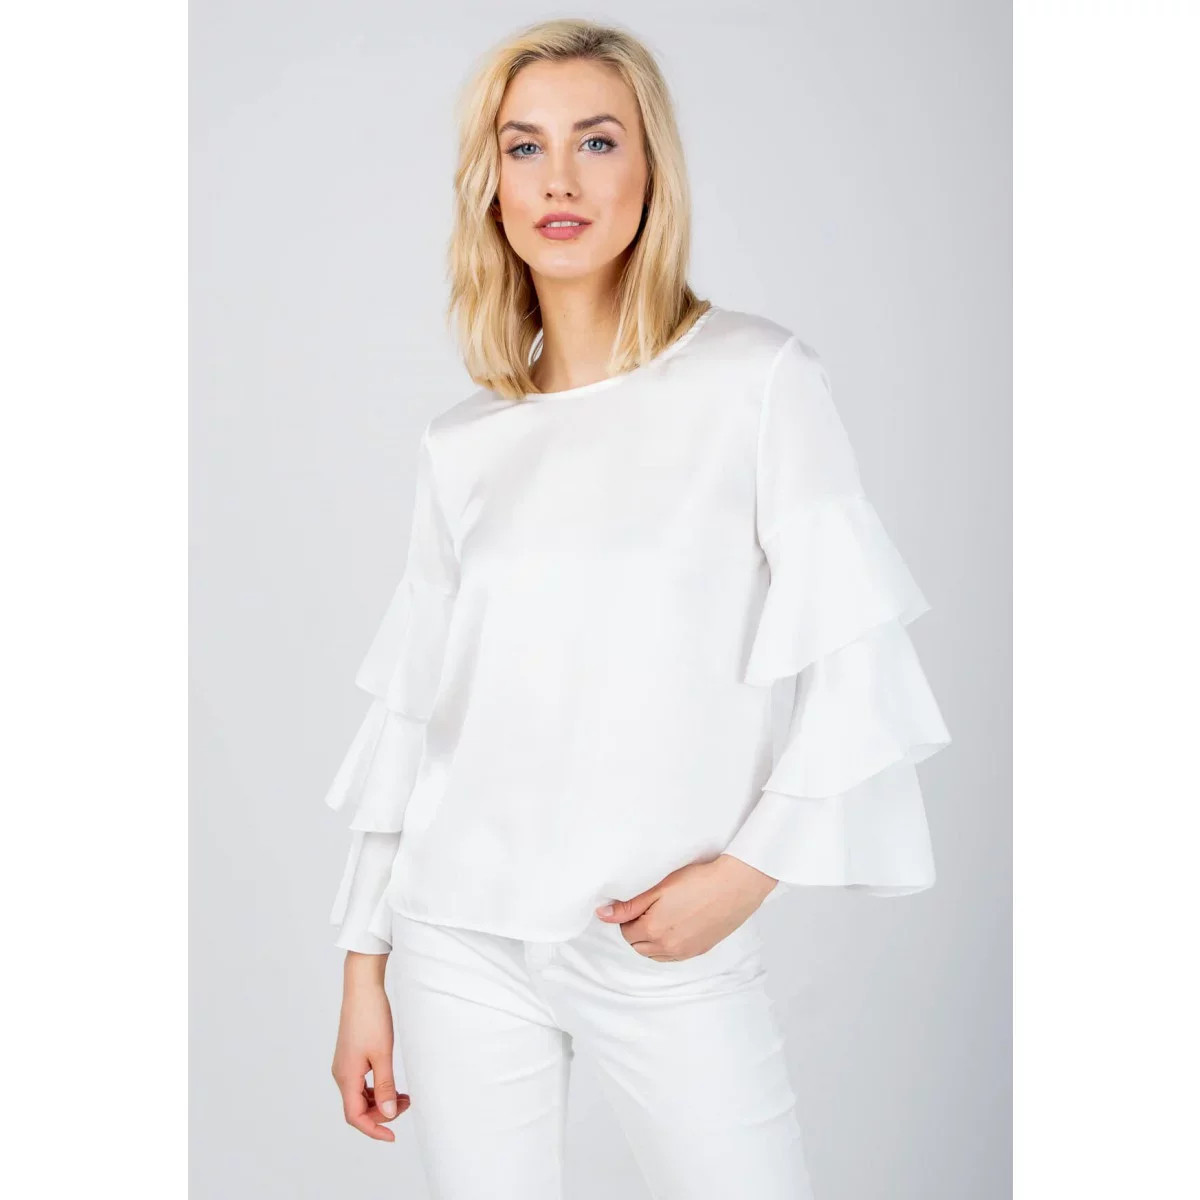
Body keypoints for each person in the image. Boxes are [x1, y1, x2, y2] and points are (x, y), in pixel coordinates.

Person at [325, 17, 951, 1199]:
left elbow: (858, 668)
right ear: (492, 183)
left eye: (597, 140)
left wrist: (749, 871)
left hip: (657, 942)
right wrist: (364, 964)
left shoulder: (759, 380)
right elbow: (414, 711)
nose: (559, 179)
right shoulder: (462, 445)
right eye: (524, 146)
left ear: (652, 167)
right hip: (461, 944)